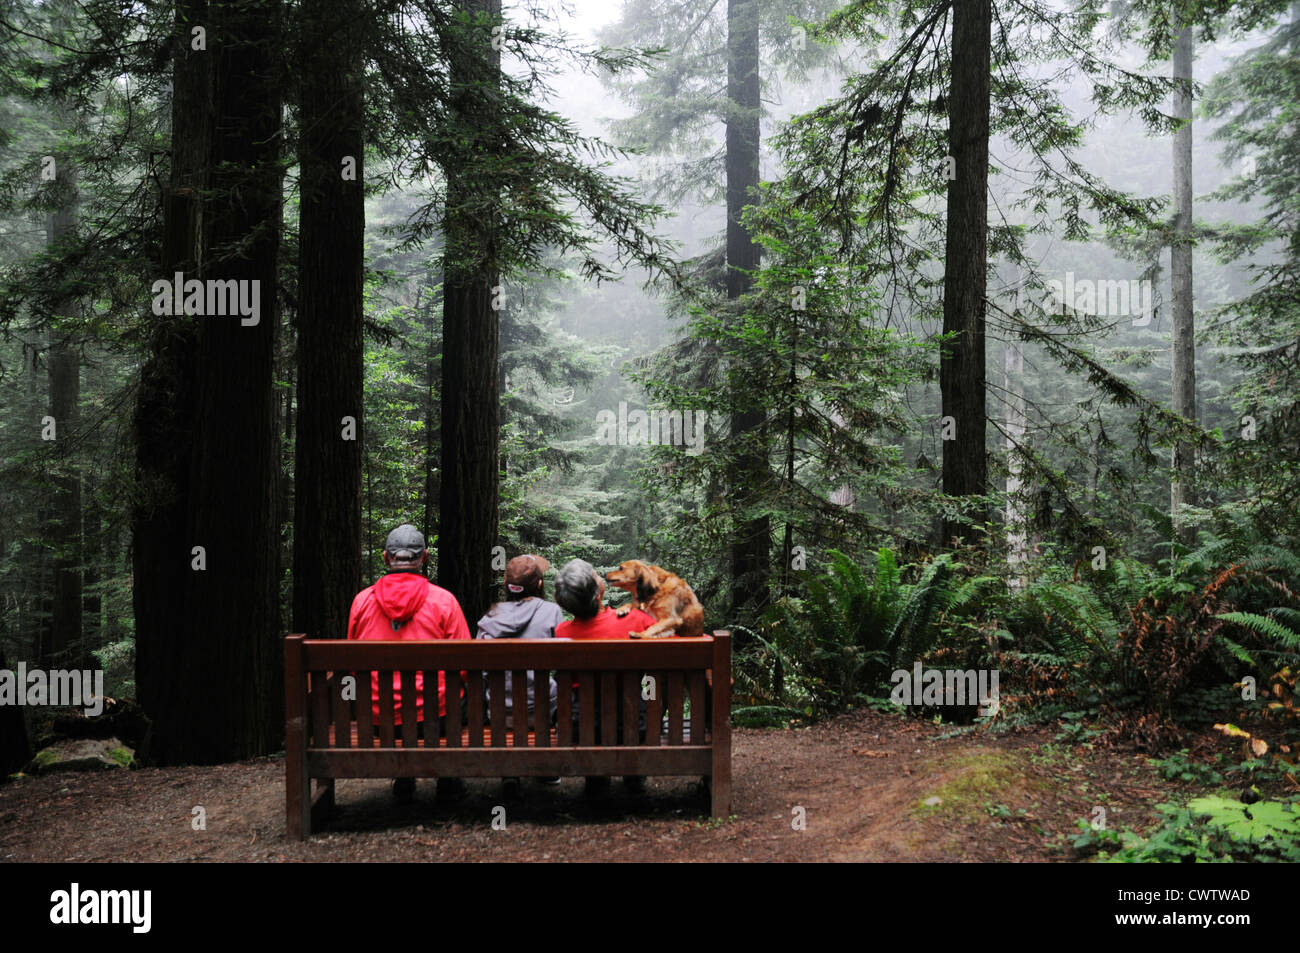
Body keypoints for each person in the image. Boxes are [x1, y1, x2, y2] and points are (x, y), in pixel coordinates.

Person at [347, 524, 471, 804]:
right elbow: (465, 662)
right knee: (458, 693)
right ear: (425, 557)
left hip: (380, 719)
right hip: (435, 720)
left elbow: (353, 666)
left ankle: (404, 777)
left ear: (386, 558)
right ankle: (447, 778)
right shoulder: (445, 601)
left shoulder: (361, 602)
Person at [554, 558, 658, 796]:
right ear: (599, 593)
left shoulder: (561, 634)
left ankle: (597, 776)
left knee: (586, 710)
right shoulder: (635, 621)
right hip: (636, 725)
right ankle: (633, 773)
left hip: (583, 729)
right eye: (597, 576)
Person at [475, 554, 563, 796]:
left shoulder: (489, 619)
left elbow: (480, 673)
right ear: (540, 585)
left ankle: (510, 770)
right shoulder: (551, 611)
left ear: (507, 587)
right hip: (543, 713)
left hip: (501, 715)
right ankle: (545, 768)